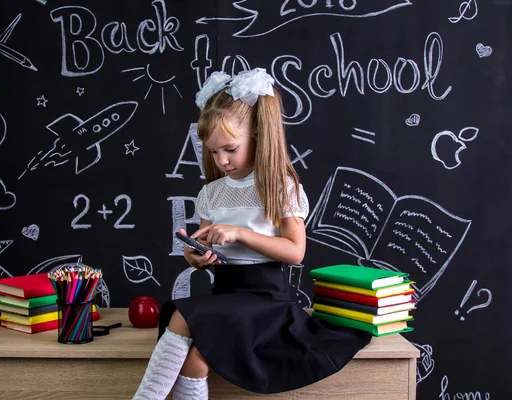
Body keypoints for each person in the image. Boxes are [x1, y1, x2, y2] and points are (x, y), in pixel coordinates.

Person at [132, 68, 372, 400]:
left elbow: (295, 252)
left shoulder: (279, 187)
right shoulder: (212, 193)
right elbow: (204, 252)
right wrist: (197, 256)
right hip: (226, 296)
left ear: (256, 136)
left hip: (266, 303)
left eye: (230, 148)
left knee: (181, 315)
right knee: (197, 360)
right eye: (214, 152)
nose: (222, 160)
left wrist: (241, 234)